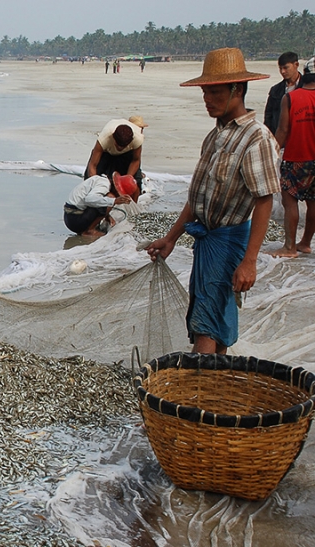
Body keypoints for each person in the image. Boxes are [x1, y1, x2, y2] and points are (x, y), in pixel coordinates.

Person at [146, 48, 280, 355]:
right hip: (207, 240)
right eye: (205, 92)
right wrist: (171, 237)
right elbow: (198, 197)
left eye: (215, 92)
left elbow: (264, 201)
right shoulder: (216, 136)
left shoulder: (256, 138)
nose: (207, 99)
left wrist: (250, 261)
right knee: (212, 314)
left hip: (229, 240)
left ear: (238, 90)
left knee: (206, 320)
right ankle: (213, 385)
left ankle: (197, 389)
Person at [271, 57, 315, 257]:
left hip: (295, 158)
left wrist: (271, 154)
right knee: (313, 202)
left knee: (290, 202)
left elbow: (282, 130)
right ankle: (305, 243)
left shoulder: (290, 98)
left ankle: (289, 247)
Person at [84, 118, 144, 197]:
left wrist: (126, 180)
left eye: (123, 147)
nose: (120, 148)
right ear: (113, 137)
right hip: (106, 152)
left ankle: (130, 205)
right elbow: (93, 165)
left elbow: (135, 160)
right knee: (89, 179)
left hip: (126, 154)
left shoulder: (138, 139)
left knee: (135, 183)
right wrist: (96, 183)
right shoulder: (105, 138)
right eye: (118, 145)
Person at [63, 172, 135, 237]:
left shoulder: (100, 180)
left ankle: (88, 228)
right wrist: (114, 200)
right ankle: (89, 231)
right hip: (75, 220)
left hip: (70, 218)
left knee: (107, 199)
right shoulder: (104, 185)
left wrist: (107, 216)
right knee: (110, 197)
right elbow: (89, 199)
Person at [263, 51, 302, 135]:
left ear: (296, 65)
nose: (282, 71)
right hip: (280, 137)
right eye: (280, 68)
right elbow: (268, 117)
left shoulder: (307, 88)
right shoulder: (275, 90)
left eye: (285, 68)